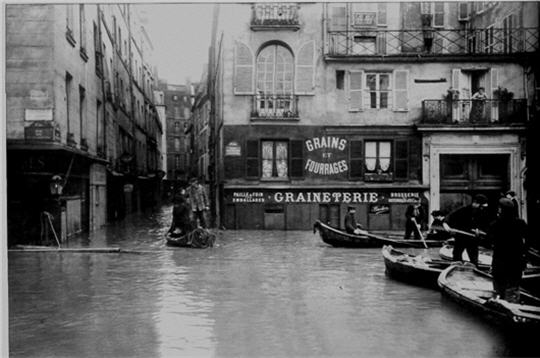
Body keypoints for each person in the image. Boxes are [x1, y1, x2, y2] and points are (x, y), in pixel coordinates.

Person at [488, 198, 528, 302]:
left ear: (501, 210)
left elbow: (488, 242)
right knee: (513, 290)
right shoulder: (521, 223)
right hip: (516, 263)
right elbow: (528, 241)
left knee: (498, 291)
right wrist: (524, 258)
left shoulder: (495, 225)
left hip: (500, 263)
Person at [446, 194, 491, 266]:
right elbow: (449, 218)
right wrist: (446, 226)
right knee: (457, 255)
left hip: (472, 239)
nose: (482, 208)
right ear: (475, 203)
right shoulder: (463, 210)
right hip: (461, 237)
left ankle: (474, 270)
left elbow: (484, 224)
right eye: (481, 206)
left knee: (474, 258)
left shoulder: (482, 212)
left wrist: (479, 230)